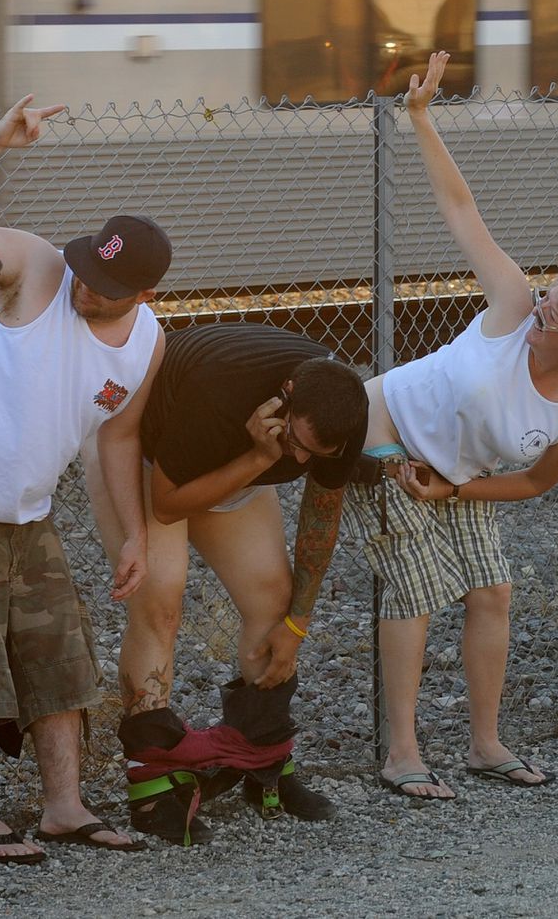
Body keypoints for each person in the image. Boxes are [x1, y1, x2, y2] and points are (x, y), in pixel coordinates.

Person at [348, 50, 558, 799]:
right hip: (386, 430)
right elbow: (461, 210)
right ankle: (402, 752)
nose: (540, 300)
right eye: (548, 293)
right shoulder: (512, 308)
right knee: (415, 589)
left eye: (556, 307)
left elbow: (537, 480)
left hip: (458, 477)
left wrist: (456, 494)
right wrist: (421, 118)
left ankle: (485, 744)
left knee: (492, 591)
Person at [0, 93, 167, 863]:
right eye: (87, 271)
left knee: (60, 659)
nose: (86, 289)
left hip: (29, 512)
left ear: (143, 296)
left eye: (106, 288)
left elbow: (117, 438)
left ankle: (63, 808)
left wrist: (134, 535)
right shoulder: (40, 268)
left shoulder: (147, 343)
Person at [98, 321, 367, 826]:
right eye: (296, 441)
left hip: (234, 462)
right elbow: (170, 502)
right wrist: (259, 457)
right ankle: (151, 790)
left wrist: (297, 627)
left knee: (272, 599)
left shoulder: (344, 410)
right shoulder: (220, 387)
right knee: (160, 599)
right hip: (149, 456)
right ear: (282, 400)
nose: (302, 458)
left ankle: (264, 762)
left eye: (316, 454)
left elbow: (320, 520)